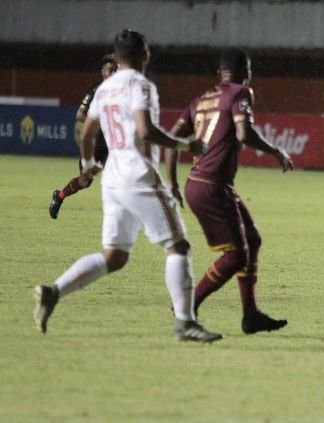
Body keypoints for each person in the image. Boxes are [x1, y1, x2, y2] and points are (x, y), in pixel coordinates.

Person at [34, 29, 223, 343]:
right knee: (178, 246)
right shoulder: (140, 85)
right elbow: (146, 131)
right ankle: (186, 322)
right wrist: (185, 145)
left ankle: (54, 292)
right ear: (143, 55)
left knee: (114, 257)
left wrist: (87, 164)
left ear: (117, 58)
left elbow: (86, 135)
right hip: (138, 176)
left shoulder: (105, 89)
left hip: (112, 179)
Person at [167, 48, 293, 334]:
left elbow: (172, 139)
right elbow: (242, 133)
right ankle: (186, 306)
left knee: (252, 239)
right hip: (211, 186)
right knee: (236, 256)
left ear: (219, 73)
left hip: (204, 184)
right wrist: (274, 151)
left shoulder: (200, 99)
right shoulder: (241, 93)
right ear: (246, 71)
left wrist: (172, 182)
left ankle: (250, 315)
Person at [48, 54, 117, 219]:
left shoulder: (120, 92)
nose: (112, 74)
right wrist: (98, 123)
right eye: (109, 70)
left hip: (113, 144)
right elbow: (80, 115)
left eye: (115, 70)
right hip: (94, 143)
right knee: (84, 181)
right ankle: (59, 197)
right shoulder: (96, 91)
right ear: (102, 72)